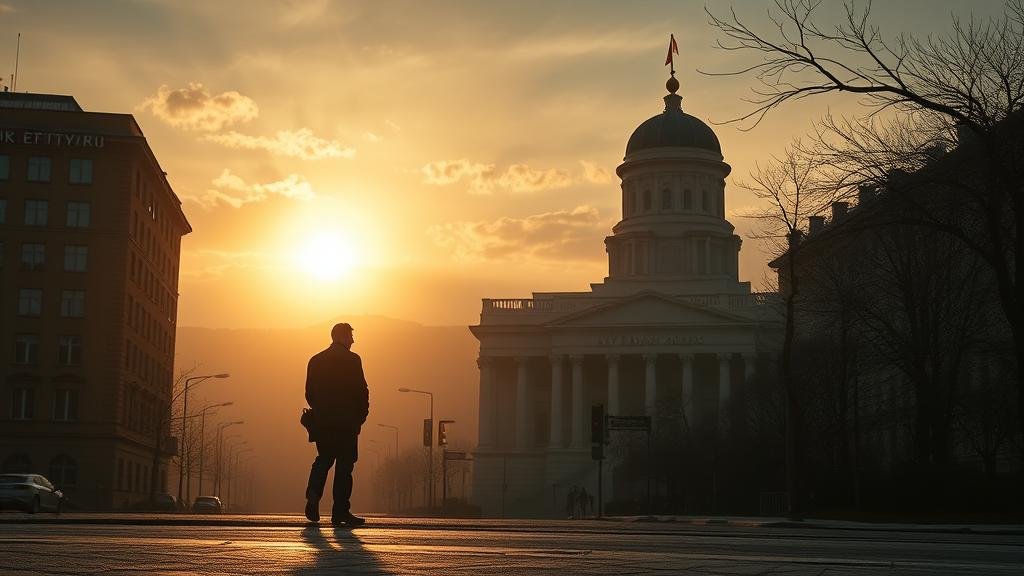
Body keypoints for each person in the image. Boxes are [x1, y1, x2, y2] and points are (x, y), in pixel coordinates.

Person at [304, 322, 369, 526]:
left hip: (323, 423)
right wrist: (360, 417)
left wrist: (322, 412)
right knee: (344, 466)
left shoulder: (315, 360)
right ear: (341, 337)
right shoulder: (353, 360)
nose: (353, 340)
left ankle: (313, 497)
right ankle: (340, 511)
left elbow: (309, 393)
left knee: (323, 460)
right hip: (347, 424)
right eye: (350, 336)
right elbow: (362, 391)